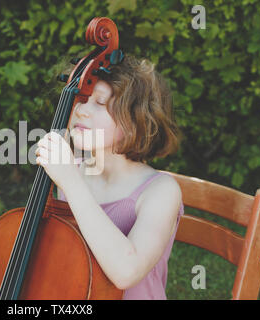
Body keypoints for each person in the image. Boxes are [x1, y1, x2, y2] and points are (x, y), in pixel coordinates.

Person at [35, 54, 184, 300]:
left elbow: (126, 272)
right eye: (81, 99)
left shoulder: (161, 191)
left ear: (136, 122)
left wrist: (71, 182)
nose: (82, 111)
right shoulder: (74, 170)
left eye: (100, 103)